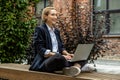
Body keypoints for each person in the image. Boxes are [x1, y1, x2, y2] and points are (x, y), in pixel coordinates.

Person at [29, 7, 95, 76]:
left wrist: (68, 54)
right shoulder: (40, 29)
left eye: (56, 15)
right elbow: (40, 49)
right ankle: (78, 67)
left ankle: (74, 68)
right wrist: (60, 55)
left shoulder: (56, 31)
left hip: (59, 59)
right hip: (46, 61)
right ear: (45, 16)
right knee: (58, 57)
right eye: (53, 15)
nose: (55, 17)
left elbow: (61, 47)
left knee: (82, 56)